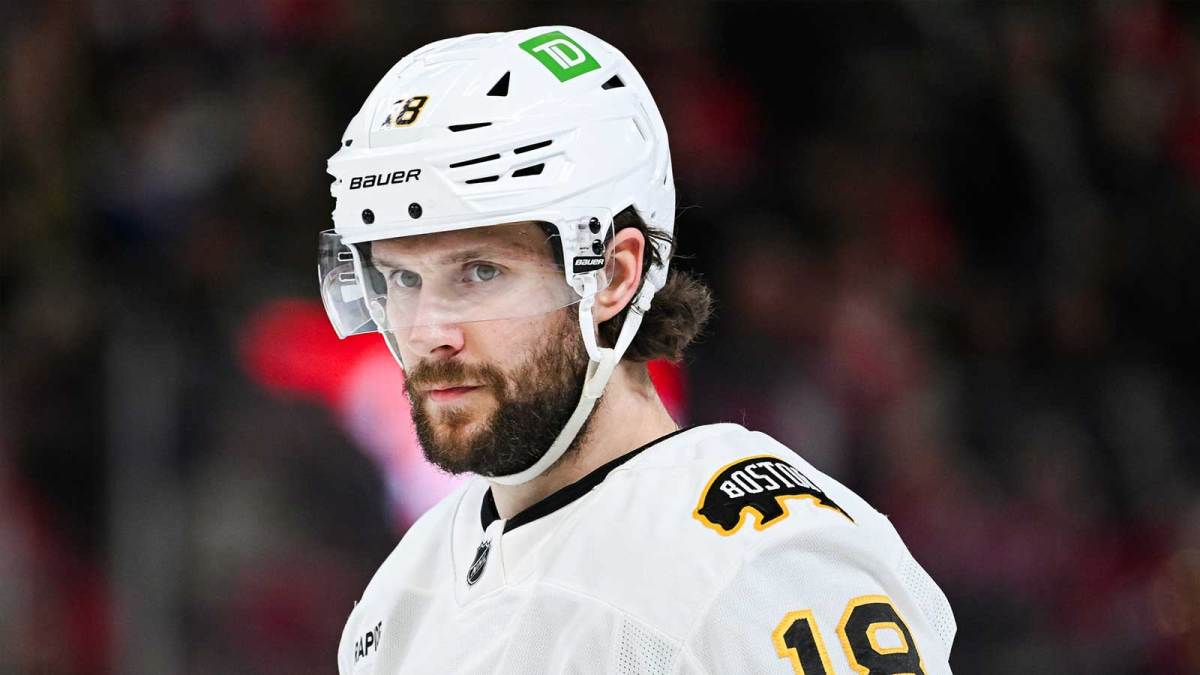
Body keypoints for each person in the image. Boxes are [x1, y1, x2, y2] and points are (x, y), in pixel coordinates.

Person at [319, 26, 955, 674]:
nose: (429, 330)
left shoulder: (760, 567)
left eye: (480, 272)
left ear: (615, 275)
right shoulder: (402, 593)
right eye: (402, 278)